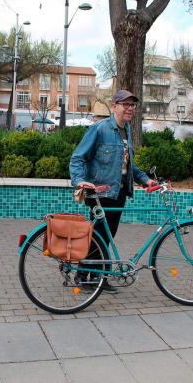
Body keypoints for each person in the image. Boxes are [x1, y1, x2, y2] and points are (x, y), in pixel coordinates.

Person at [70, 89, 152, 293]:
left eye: (133, 105)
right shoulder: (99, 129)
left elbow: (127, 165)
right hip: (99, 192)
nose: (130, 108)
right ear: (114, 106)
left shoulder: (127, 130)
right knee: (97, 236)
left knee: (107, 236)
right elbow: (78, 158)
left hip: (118, 192)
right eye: (126, 104)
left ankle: (99, 277)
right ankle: (82, 276)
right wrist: (80, 181)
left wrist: (145, 179)